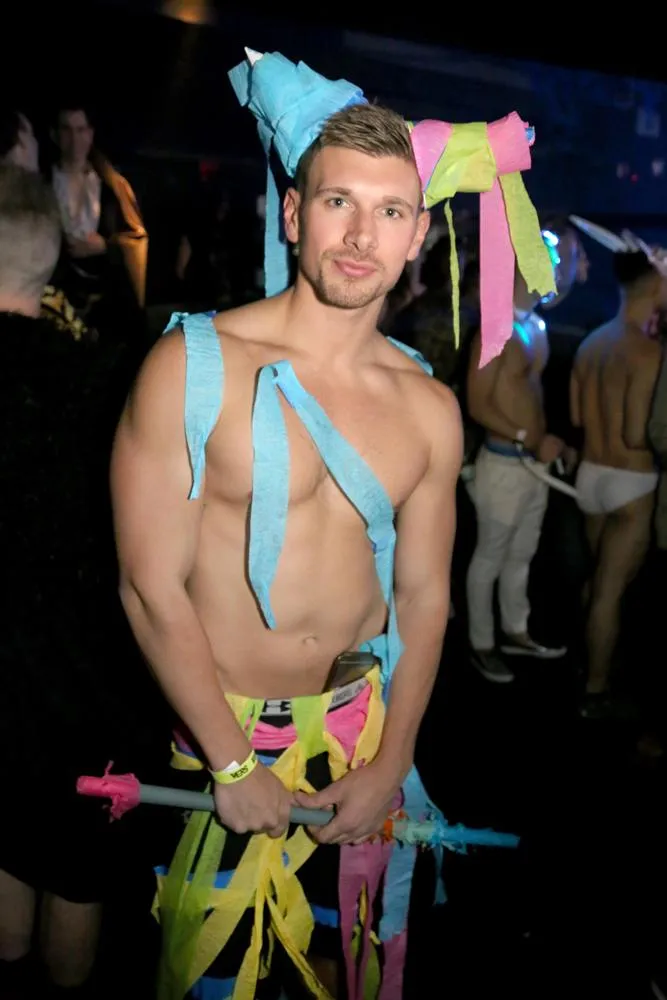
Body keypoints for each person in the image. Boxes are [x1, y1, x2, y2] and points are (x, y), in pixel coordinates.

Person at [111, 49, 550, 999]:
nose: (359, 236)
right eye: (338, 202)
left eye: (389, 212)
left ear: (417, 236)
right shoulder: (191, 367)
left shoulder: (428, 407)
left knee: (343, 972)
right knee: (215, 981)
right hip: (223, 737)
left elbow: (423, 598)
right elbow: (149, 588)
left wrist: (393, 760)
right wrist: (233, 762)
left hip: (360, 740)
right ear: (292, 213)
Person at [0, 164, 119, 998]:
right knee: (75, 869)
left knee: (4, 843)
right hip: (85, 674)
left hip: (3, 670)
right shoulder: (105, 380)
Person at [465, 241, 576, 683]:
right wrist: (528, 437)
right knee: (489, 557)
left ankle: (516, 631)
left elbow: (529, 395)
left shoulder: (536, 325)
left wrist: (550, 442)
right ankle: (481, 643)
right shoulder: (496, 329)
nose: (557, 271)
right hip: (503, 465)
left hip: (534, 467)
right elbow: (477, 404)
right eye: (550, 262)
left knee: (522, 554)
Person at [571, 248, 665, 716]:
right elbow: (634, 433)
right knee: (610, 591)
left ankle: (588, 659)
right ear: (656, 288)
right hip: (632, 483)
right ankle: (596, 689)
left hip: (590, 476)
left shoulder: (591, 343)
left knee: (598, 580)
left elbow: (576, 417)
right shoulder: (648, 352)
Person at [49, 105, 148, 319]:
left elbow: (135, 238)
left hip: (104, 297)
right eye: (67, 130)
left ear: (90, 133)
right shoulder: (43, 184)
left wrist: (106, 246)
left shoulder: (112, 185)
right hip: (55, 292)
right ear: (55, 135)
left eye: (80, 130)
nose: (74, 139)